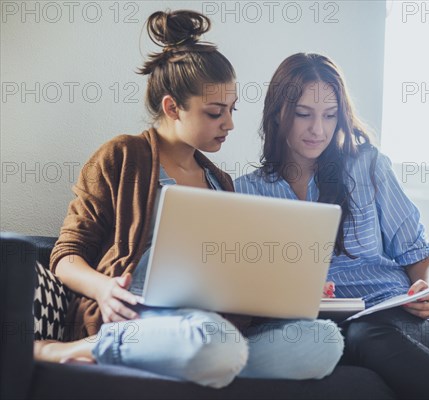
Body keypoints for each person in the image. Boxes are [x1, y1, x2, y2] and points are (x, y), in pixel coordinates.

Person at [33, 14, 343, 388]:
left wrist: (281, 289)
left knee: (323, 341)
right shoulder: (122, 156)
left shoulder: (219, 181)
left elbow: (231, 273)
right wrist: (102, 288)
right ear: (172, 107)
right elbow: (64, 256)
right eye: (215, 113)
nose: (229, 124)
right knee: (215, 341)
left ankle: (210, 362)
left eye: (232, 110)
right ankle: (89, 346)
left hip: (209, 326)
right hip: (137, 318)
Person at [235, 52, 429, 399]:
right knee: (328, 341)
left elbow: (419, 256)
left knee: (363, 334)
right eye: (303, 115)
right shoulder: (245, 191)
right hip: (314, 328)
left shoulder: (368, 168)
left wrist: (428, 289)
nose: (318, 129)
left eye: (329, 116)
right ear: (278, 113)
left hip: (400, 318)